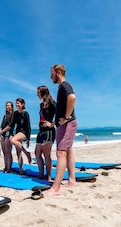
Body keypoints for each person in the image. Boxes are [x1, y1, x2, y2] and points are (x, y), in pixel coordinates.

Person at [44, 64, 77, 196]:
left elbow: (72, 98)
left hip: (67, 123)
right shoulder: (61, 87)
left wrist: (66, 117)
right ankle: (72, 180)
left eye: (51, 73)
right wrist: (56, 122)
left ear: (57, 72)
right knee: (68, 151)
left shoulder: (64, 85)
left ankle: (56, 188)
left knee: (61, 153)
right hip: (66, 123)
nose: (50, 76)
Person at [35, 85, 56, 181]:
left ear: (43, 92)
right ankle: (41, 174)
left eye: (38, 92)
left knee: (47, 155)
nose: (37, 94)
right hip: (41, 131)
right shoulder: (41, 104)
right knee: (37, 153)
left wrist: (52, 124)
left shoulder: (52, 102)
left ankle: (48, 176)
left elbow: (61, 113)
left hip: (49, 132)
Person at [6, 98, 32, 173]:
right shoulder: (15, 113)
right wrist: (10, 133)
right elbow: (12, 124)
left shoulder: (25, 113)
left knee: (13, 140)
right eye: (16, 103)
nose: (17, 105)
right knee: (18, 152)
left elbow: (28, 126)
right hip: (18, 132)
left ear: (22, 104)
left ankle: (27, 153)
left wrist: (28, 139)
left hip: (24, 132)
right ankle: (21, 169)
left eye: (18, 103)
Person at [0, 101, 14, 172]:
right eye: (6, 105)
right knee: (4, 152)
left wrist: (3, 131)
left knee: (8, 152)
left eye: (8, 105)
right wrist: (0, 131)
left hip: (8, 133)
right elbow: (2, 125)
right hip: (3, 134)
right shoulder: (5, 115)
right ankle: (5, 167)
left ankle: (9, 168)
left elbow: (10, 125)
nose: (7, 106)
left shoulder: (13, 115)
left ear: (11, 106)